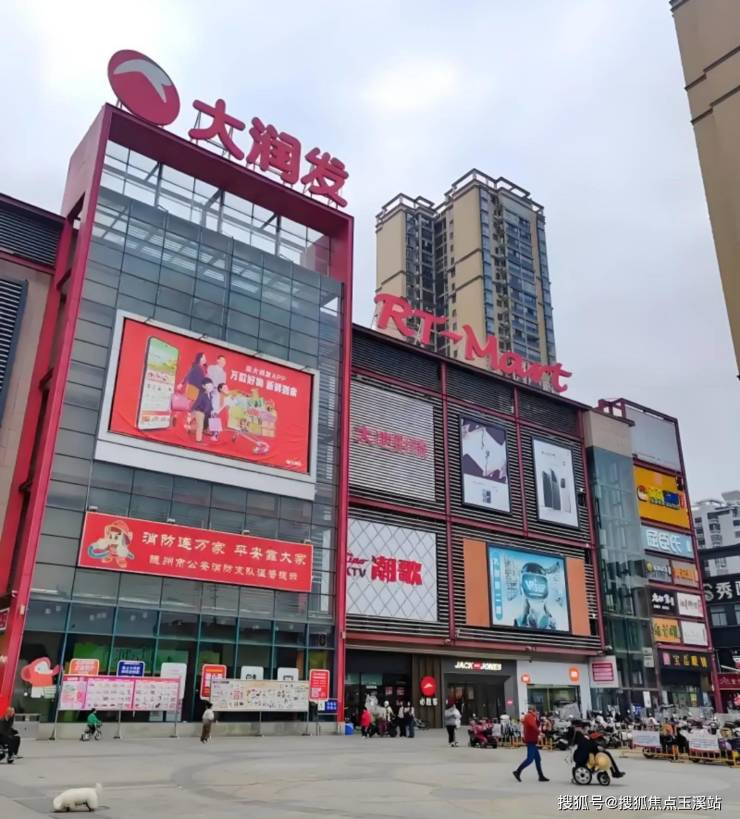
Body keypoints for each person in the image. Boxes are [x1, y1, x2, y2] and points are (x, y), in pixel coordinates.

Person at [513, 705, 549, 782]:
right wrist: (540, 733)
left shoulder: (531, 717)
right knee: (530, 759)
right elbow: (533, 726)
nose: (537, 713)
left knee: (538, 759)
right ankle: (517, 772)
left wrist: (538, 720)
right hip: (531, 740)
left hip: (532, 740)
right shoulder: (529, 716)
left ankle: (541, 776)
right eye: (536, 711)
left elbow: (535, 725)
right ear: (533, 710)